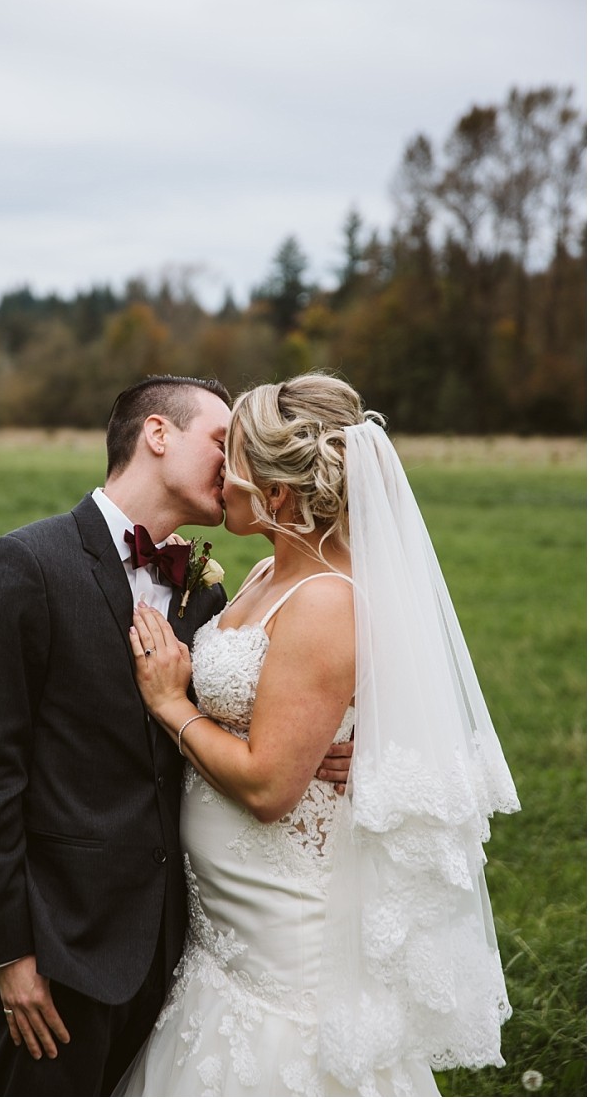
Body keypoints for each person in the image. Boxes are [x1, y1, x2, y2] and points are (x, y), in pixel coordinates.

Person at [0, 373, 352, 1098]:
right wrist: (8, 956)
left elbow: (245, 716)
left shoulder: (211, 591)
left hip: (182, 951)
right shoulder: (25, 567)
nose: (234, 464)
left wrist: (322, 750)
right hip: (60, 950)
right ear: (157, 434)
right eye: (222, 442)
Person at [120, 372, 520, 1097]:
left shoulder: (326, 601)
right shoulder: (266, 572)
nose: (219, 475)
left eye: (232, 460)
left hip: (281, 933)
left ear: (275, 492)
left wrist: (172, 705)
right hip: (225, 929)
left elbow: (269, 787)